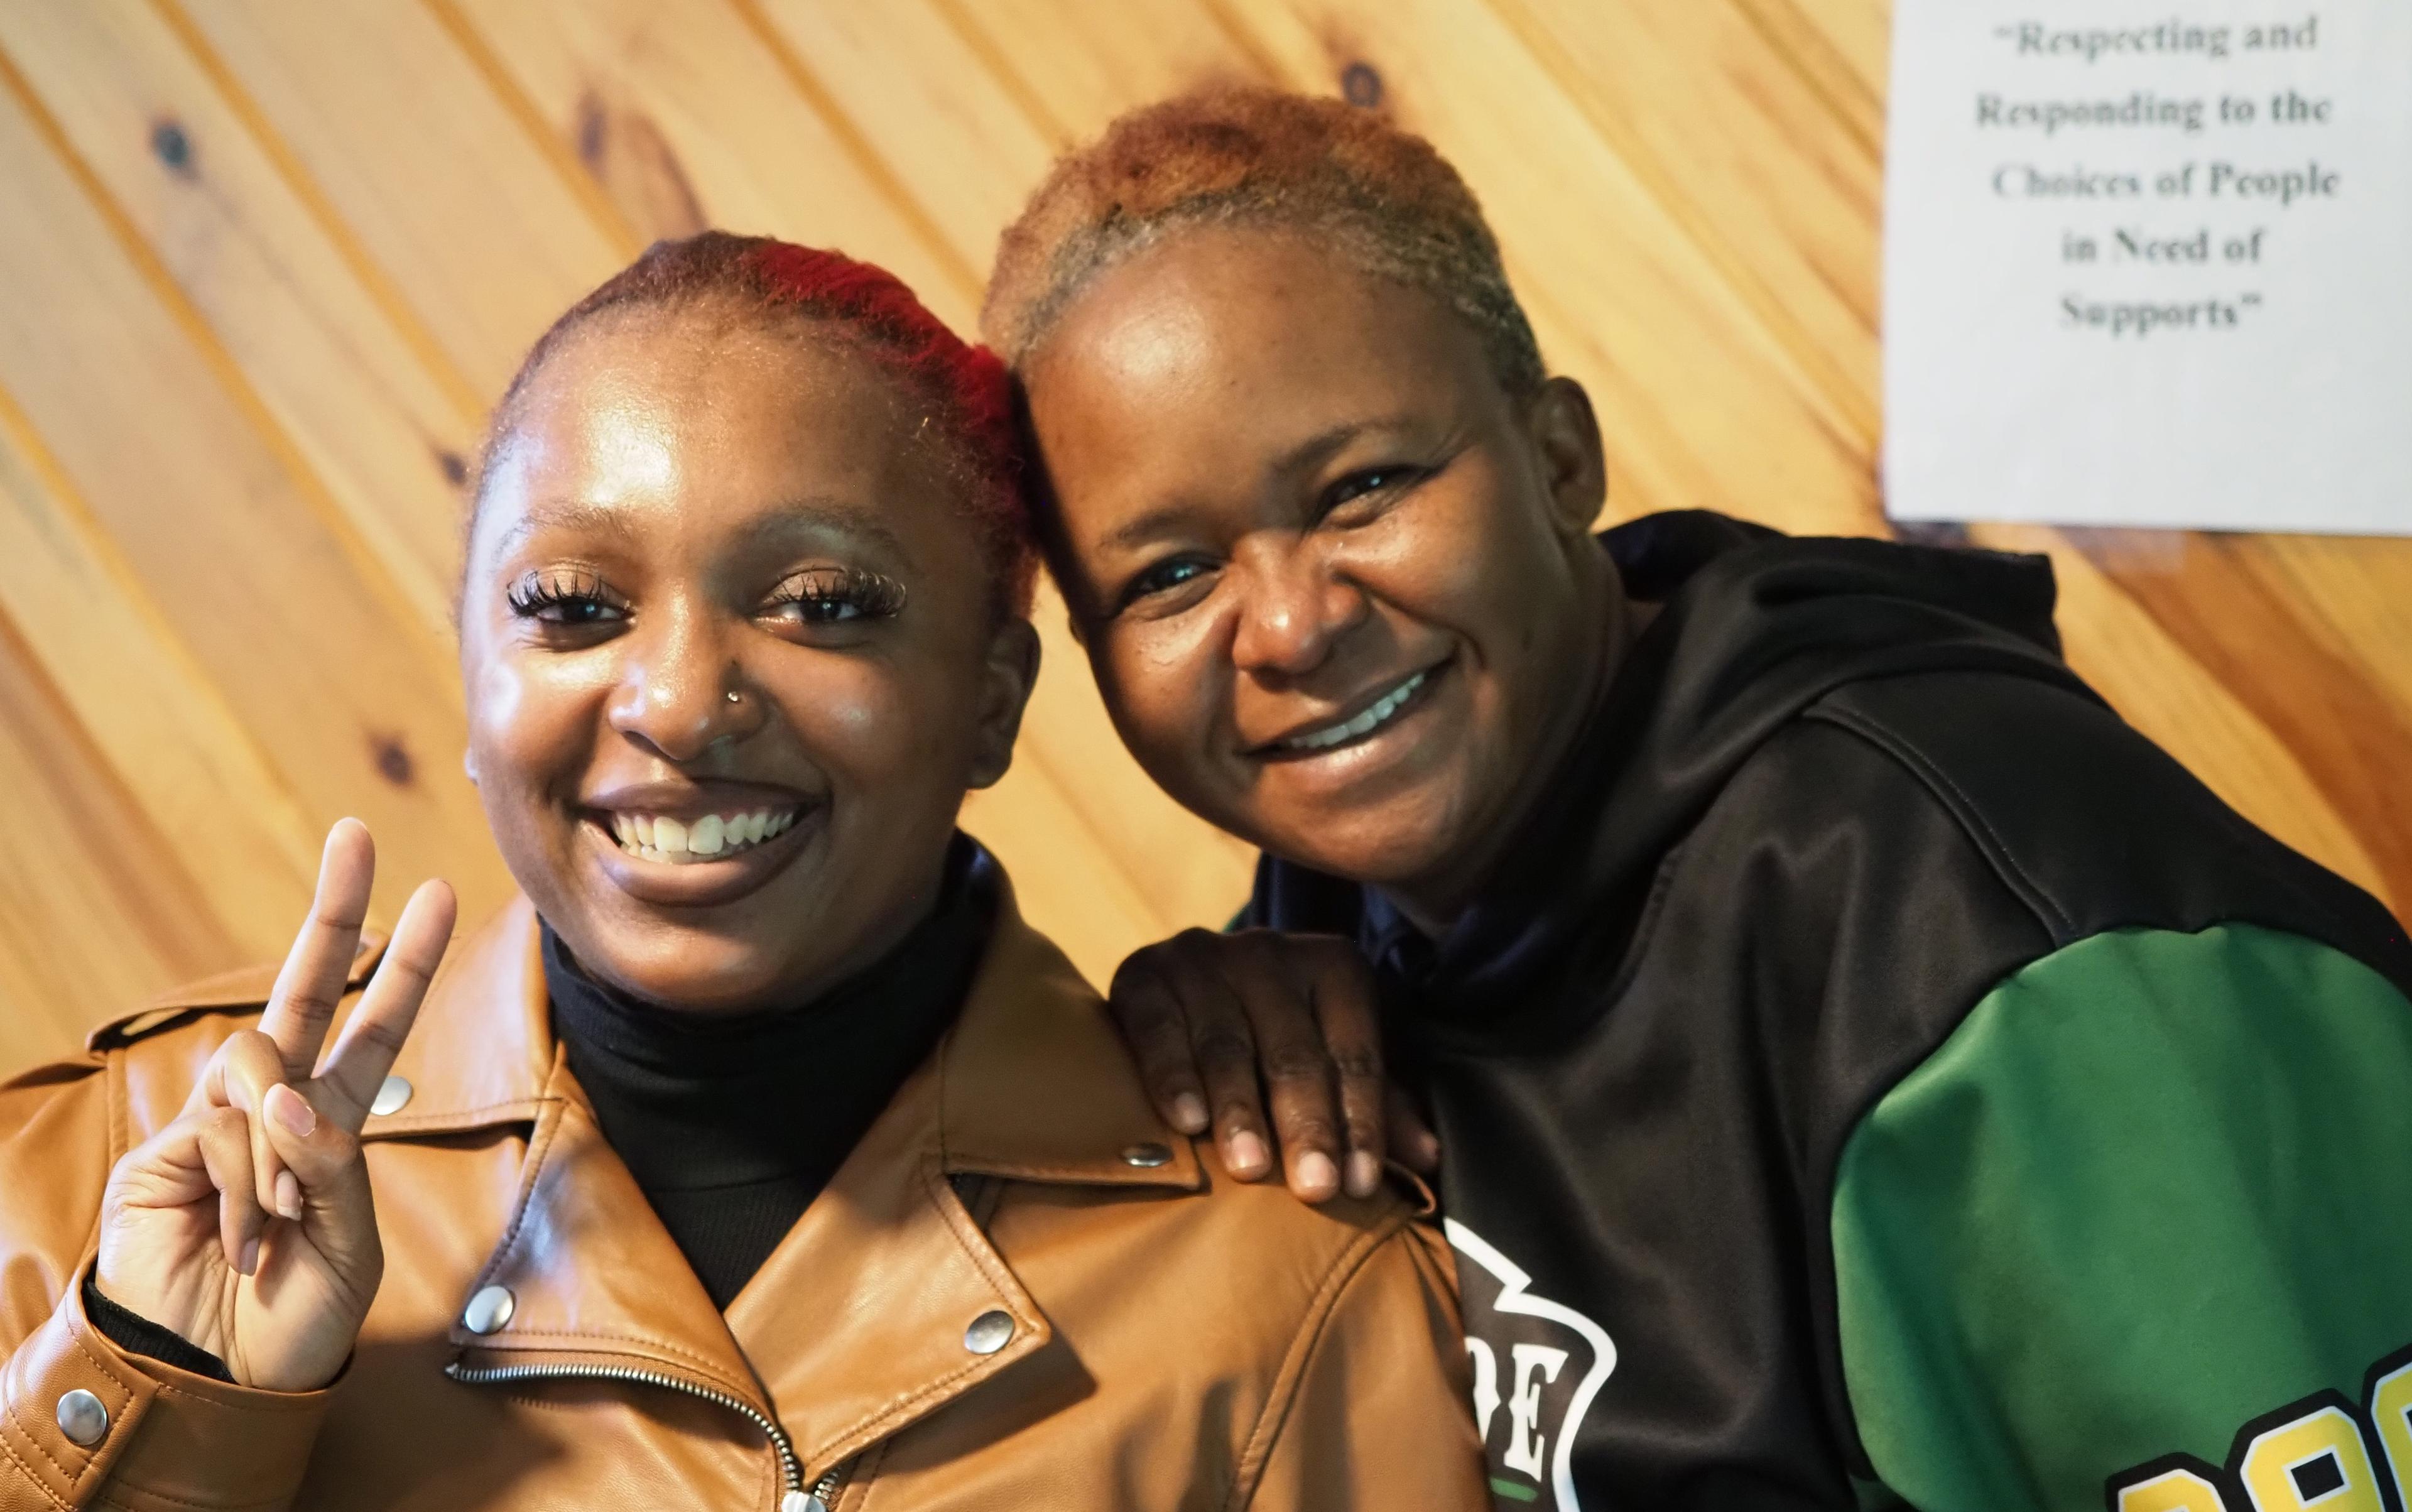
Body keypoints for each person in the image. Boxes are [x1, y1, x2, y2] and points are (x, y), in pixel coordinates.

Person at [985, 89, 2412, 1511]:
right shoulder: (1330, 955)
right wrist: (1193, 1048)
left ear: (1559, 461)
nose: (1290, 626)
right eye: (1168, 574)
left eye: (1363, 488)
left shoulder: (2007, 944)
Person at [0, 232, 1488, 1510]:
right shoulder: (97, 1186)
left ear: (992, 698)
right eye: (573, 605)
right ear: (473, 680)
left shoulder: (1290, 1279)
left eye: (822, 605)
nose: (674, 701)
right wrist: (166, 1401)